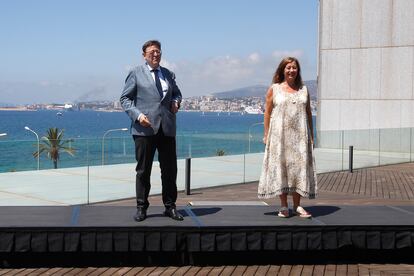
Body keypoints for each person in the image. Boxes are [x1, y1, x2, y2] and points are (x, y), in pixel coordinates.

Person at [120, 40, 183, 222]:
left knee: (170, 171)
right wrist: (138, 116)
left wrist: (176, 102)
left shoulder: (168, 74)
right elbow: (125, 99)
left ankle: (170, 207)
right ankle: (141, 207)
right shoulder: (135, 73)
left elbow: (177, 93)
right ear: (144, 55)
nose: (156, 54)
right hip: (144, 130)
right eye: (152, 52)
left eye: (158, 51)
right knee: (143, 171)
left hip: (167, 129)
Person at [258, 57, 317, 218]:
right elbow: (268, 113)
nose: (291, 70)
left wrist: (311, 135)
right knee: (281, 168)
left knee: (298, 169)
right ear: (282, 70)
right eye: (288, 67)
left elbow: (309, 113)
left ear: (298, 70)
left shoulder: (304, 89)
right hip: (279, 137)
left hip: (299, 137)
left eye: (294, 67)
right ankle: (284, 206)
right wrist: (266, 134)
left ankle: (297, 206)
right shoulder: (274, 89)